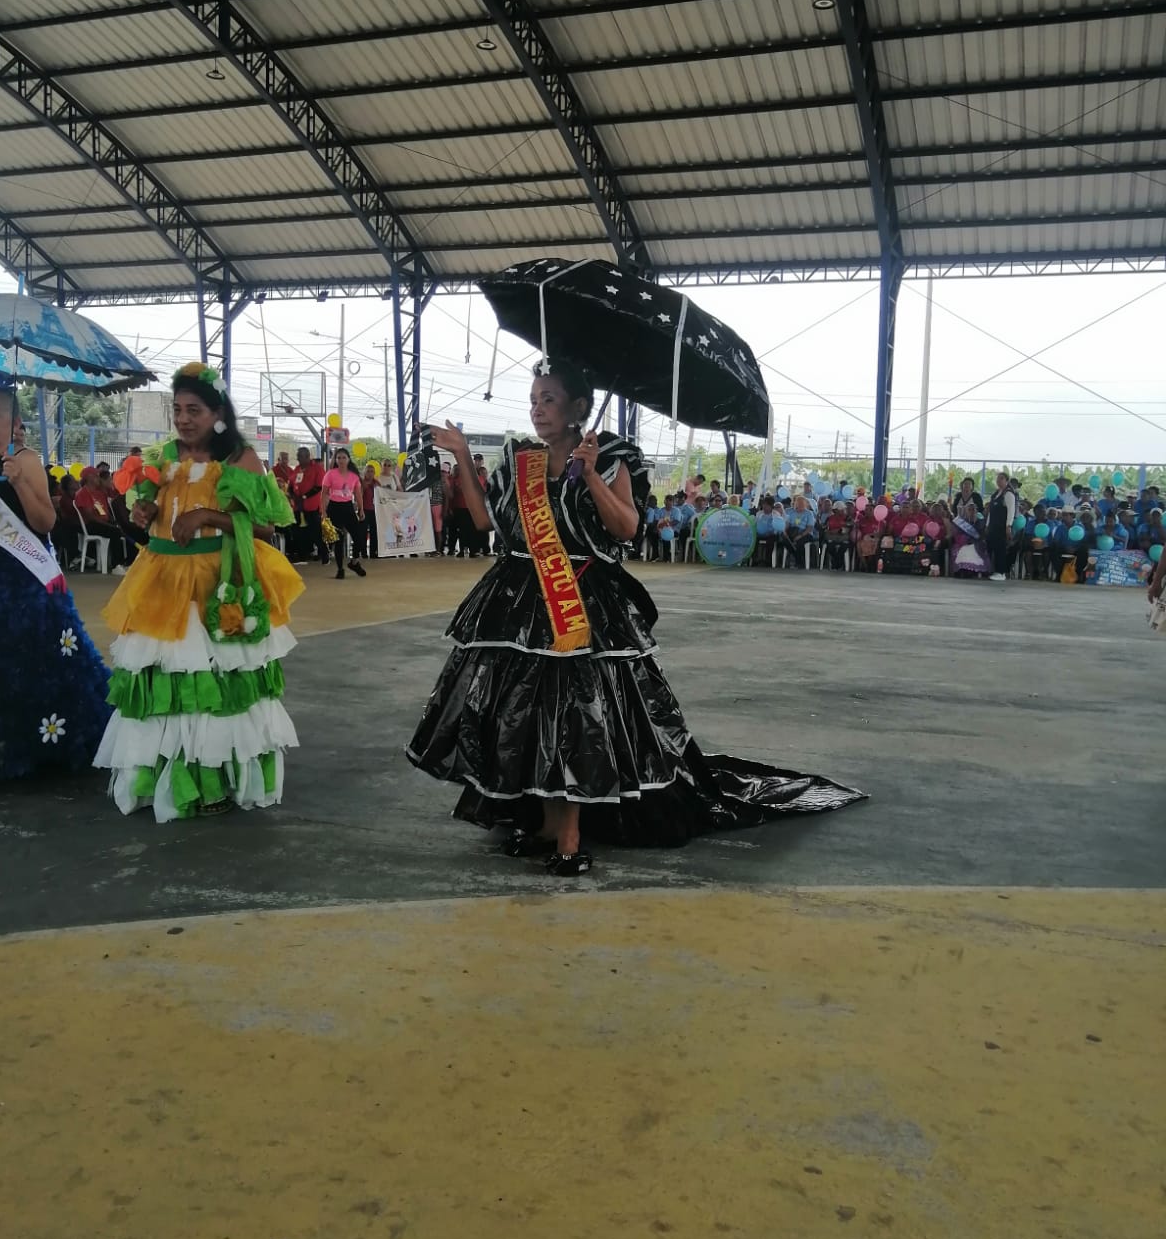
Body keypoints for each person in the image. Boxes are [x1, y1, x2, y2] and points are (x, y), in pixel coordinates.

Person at [408, 359, 864, 874]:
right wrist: (461, 454)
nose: (537, 409)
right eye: (533, 400)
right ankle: (545, 822)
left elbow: (626, 527)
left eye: (549, 399)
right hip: (517, 602)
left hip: (581, 599)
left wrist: (589, 476)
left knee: (575, 715)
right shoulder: (521, 460)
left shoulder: (608, 458)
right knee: (525, 714)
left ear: (578, 407)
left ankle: (570, 834)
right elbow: (484, 520)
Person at [95, 362, 303, 821]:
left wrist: (207, 516)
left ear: (218, 413)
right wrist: (144, 512)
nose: (184, 419)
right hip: (160, 582)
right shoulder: (162, 458)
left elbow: (265, 528)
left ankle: (213, 780)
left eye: (194, 410)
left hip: (214, 585)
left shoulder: (240, 460)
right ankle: (162, 777)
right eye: (178, 409)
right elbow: (151, 514)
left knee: (213, 685)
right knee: (163, 682)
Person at [0, 384, 110, 784]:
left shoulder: (25, 461)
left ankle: (35, 746)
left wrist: (19, 483)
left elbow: (45, 523)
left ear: (14, 422)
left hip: (22, 575)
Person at [321, 448, 369, 579]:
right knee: (339, 540)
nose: (341, 460)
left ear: (348, 459)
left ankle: (354, 562)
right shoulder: (330, 474)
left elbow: (358, 494)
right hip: (334, 508)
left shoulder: (354, 476)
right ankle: (340, 568)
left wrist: (361, 509)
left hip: (348, 508)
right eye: (339, 458)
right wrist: (323, 511)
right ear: (336, 460)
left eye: (344, 457)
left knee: (358, 537)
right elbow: (324, 493)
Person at [292, 446, 327, 565]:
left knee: (315, 532)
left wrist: (304, 496)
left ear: (307, 456)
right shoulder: (297, 469)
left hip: (312, 507)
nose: (297, 458)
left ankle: (324, 554)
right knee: (298, 532)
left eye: (300, 456)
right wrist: (293, 494)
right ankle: (302, 556)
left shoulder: (317, 469)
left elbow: (319, 487)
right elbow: (292, 484)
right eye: (297, 456)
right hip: (298, 506)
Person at [986, 471, 1017, 580]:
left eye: (1002, 478)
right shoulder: (995, 494)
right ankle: (991, 569)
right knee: (992, 547)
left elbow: (1011, 511)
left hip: (1002, 526)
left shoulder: (1008, 494)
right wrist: (987, 524)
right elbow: (990, 511)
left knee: (1000, 548)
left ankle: (1001, 572)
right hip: (993, 526)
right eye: (998, 478)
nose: (999, 480)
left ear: (1007, 481)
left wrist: (1008, 525)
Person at [360, 460, 380, 559]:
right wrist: (360, 509)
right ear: (365, 472)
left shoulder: (377, 483)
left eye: (372, 471)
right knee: (363, 532)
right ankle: (363, 552)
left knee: (374, 532)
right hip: (364, 510)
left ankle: (373, 552)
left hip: (375, 511)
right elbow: (359, 496)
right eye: (368, 471)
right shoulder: (362, 483)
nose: (370, 473)